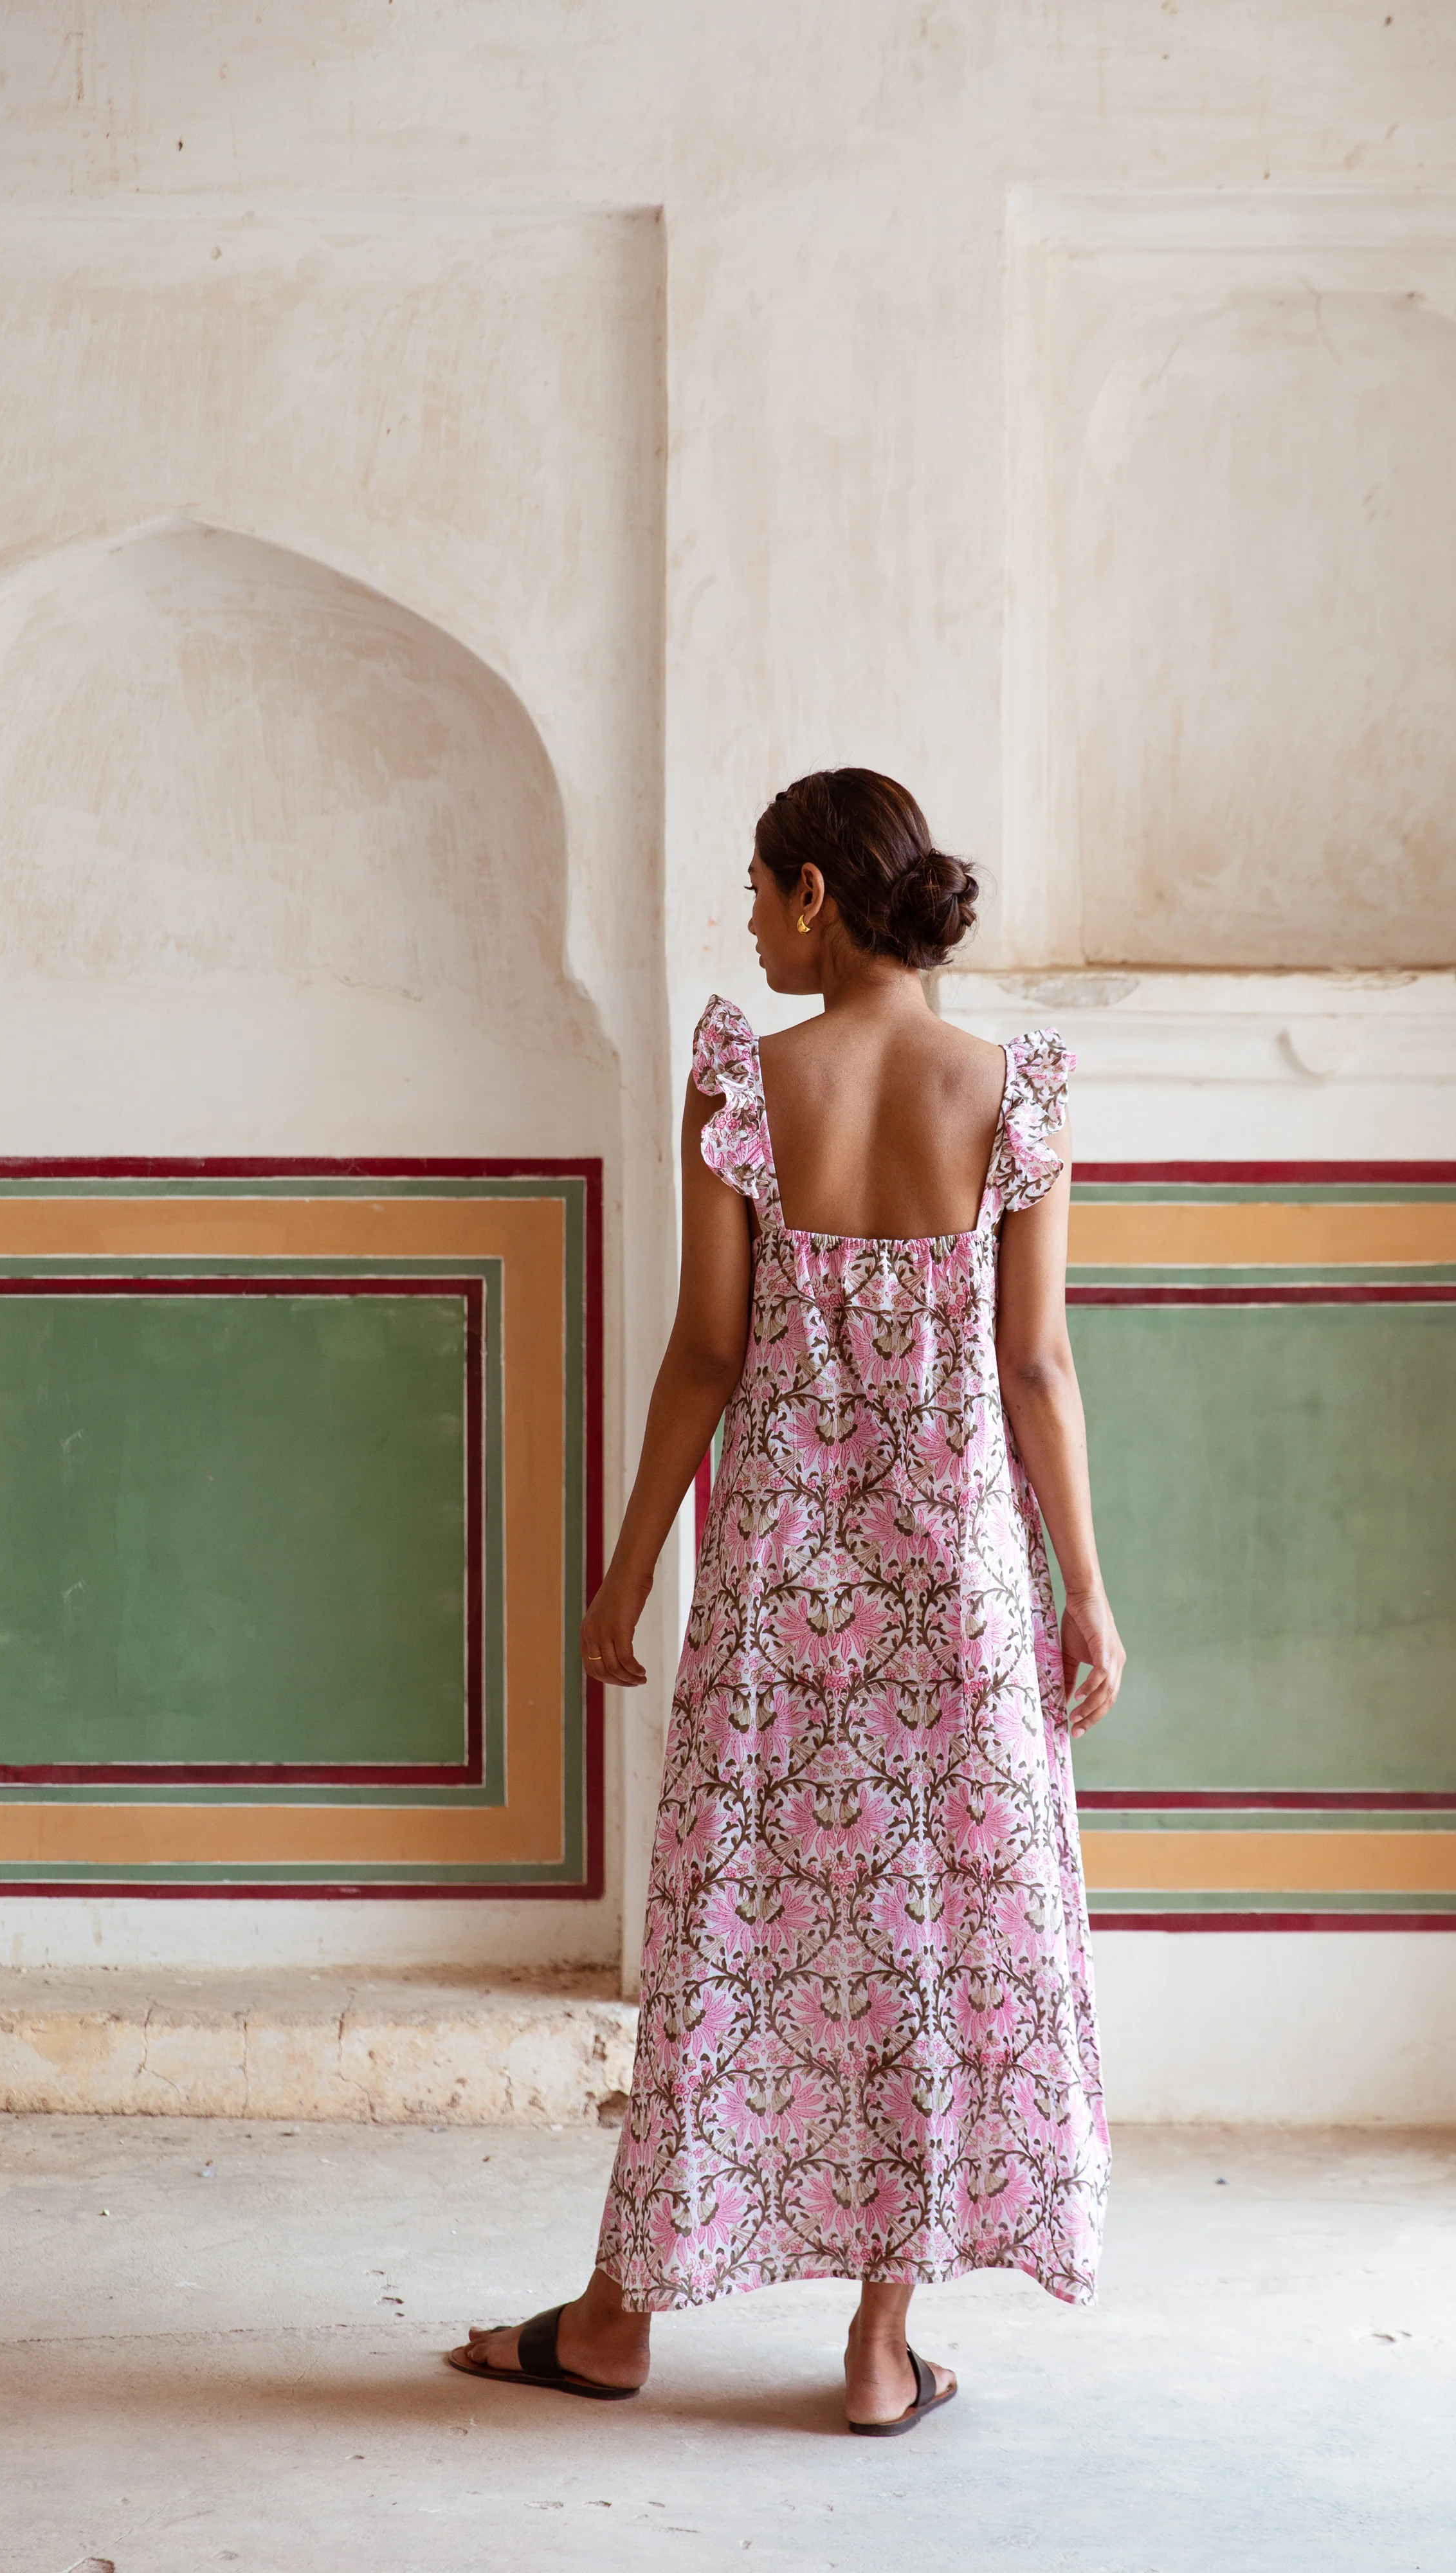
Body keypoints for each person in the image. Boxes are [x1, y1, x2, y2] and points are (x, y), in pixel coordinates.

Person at [451, 768, 1123, 2435]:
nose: (747, 923)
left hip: (779, 1591)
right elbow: (1035, 1366)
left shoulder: (743, 1091)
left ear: (815, 891)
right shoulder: (1014, 1088)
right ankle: (880, 2348)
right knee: (937, 1937)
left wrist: (623, 1576)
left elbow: (705, 1351)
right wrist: (1088, 1597)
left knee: (736, 1930)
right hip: (959, 1594)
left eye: (757, 890)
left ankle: (618, 2320)